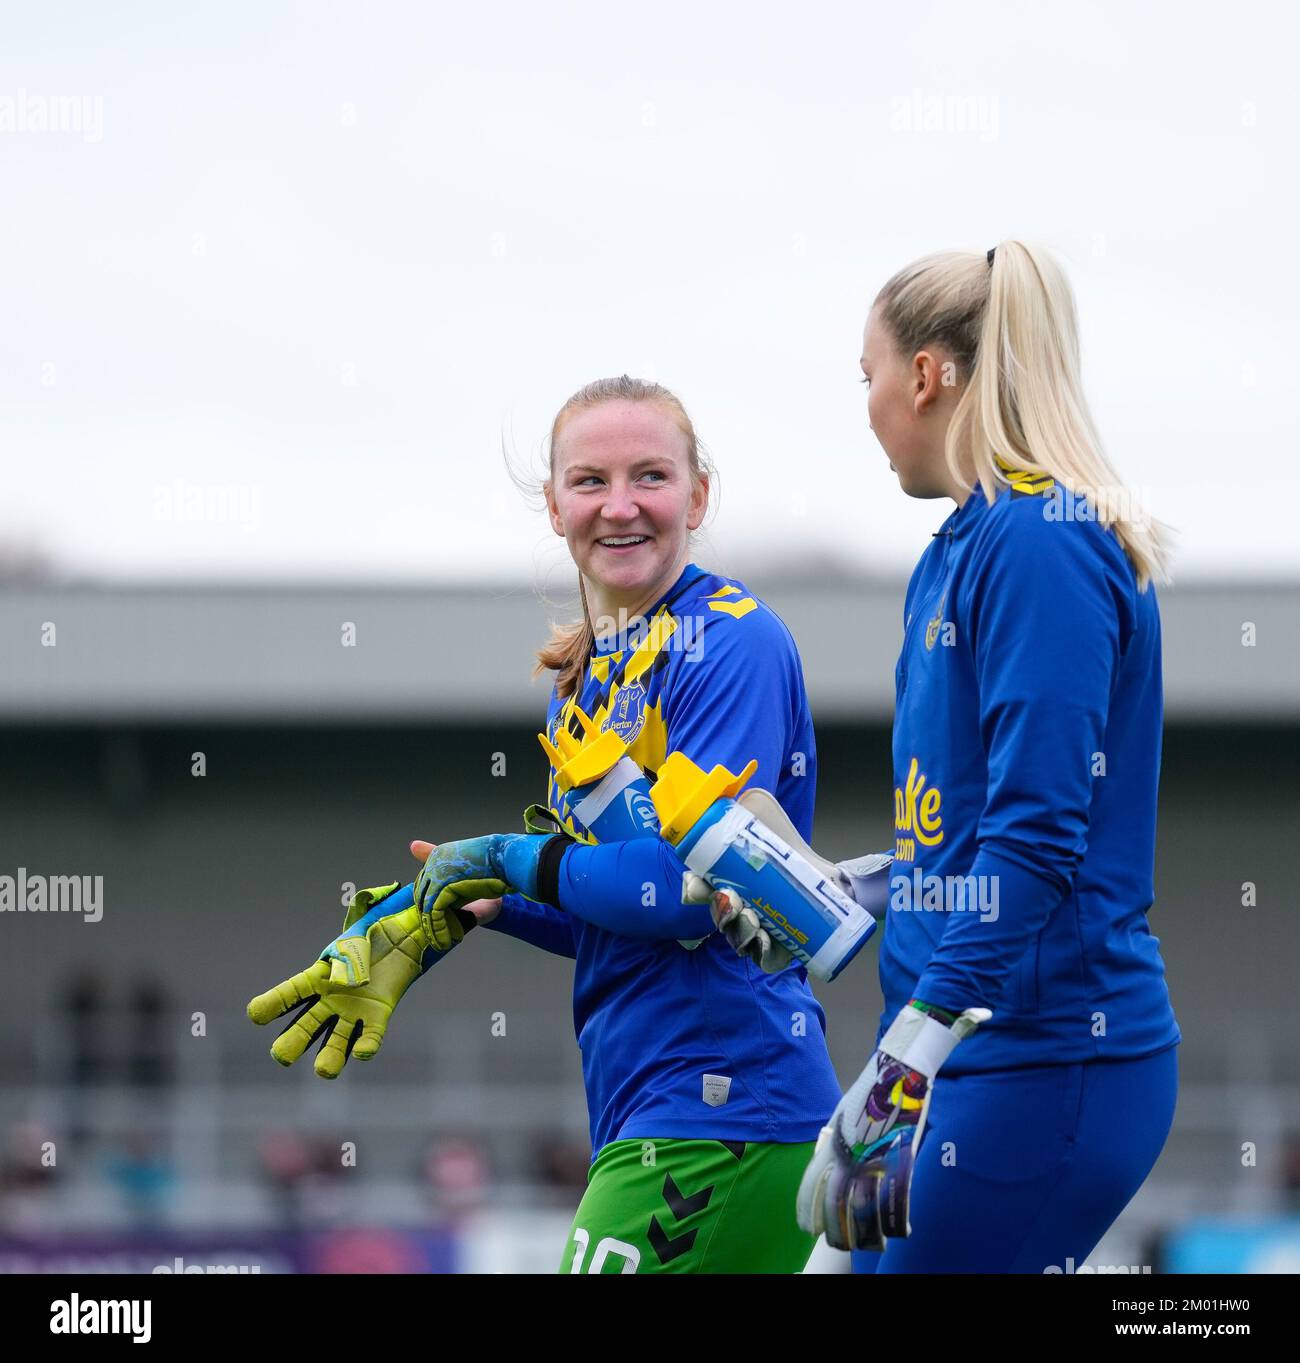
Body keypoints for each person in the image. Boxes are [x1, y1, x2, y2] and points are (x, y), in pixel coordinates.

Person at [250, 376, 845, 1274]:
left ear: (699, 493)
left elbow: (687, 897)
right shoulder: (590, 677)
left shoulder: (731, 641)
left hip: (722, 1105)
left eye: (649, 475)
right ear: (554, 504)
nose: (620, 506)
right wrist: (477, 899)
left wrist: (505, 856)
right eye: (589, 481)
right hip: (660, 1108)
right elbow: (614, 907)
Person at [789, 241, 1181, 1272]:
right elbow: (968, 831)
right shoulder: (958, 547)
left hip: (1041, 1062)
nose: (865, 404)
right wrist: (856, 887)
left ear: (923, 376)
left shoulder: (1035, 541)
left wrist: (897, 1069)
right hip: (958, 1060)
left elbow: (1039, 835)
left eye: (864, 374)